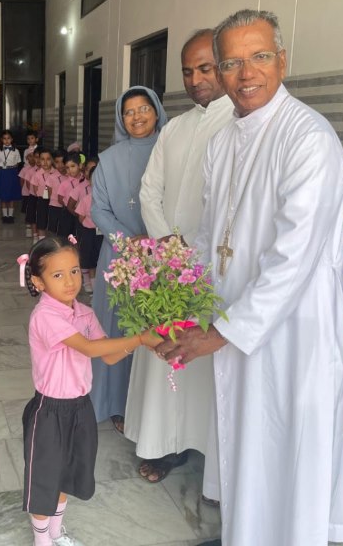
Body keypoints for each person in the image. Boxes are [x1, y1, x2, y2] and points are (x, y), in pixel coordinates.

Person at [156, 9, 343, 545]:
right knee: (244, 447)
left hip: (292, 336)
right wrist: (179, 305)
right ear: (219, 73)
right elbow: (207, 236)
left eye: (259, 57)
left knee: (286, 453)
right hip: (233, 326)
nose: (246, 73)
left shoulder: (308, 138)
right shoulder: (224, 142)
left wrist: (220, 333)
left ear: (282, 60)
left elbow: (295, 257)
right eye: (232, 62)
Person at [129, 29, 233, 484]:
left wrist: (199, 252)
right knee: (168, 355)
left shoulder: (240, 123)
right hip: (169, 263)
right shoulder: (176, 126)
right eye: (187, 71)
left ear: (226, 65)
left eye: (205, 68)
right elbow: (149, 190)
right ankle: (165, 445)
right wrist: (169, 246)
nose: (195, 79)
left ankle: (216, 458)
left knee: (211, 364)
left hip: (218, 267)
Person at [20, 236, 162, 546]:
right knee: (45, 478)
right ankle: (41, 540)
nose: (70, 281)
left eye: (73, 271)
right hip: (50, 411)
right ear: (38, 281)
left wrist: (146, 342)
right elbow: (87, 346)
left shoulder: (83, 312)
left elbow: (108, 354)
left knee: (68, 473)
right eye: (57, 275)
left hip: (80, 407)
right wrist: (139, 339)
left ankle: (57, 534)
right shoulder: (45, 317)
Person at [90, 86, 167, 431]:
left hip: (165, 255)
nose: (137, 117)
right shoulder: (108, 159)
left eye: (144, 109)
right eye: (129, 111)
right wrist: (129, 241)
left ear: (157, 111)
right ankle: (116, 404)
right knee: (118, 325)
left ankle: (155, 409)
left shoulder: (172, 150)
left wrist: (157, 240)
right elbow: (98, 210)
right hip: (119, 257)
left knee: (157, 326)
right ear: (121, 118)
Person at [73, 163, 102, 295]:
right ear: (89, 181)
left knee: (98, 258)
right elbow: (81, 217)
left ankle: (97, 284)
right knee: (89, 259)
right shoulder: (86, 199)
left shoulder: (106, 199)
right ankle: (91, 285)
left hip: (102, 233)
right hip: (89, 232)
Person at [31, 147, 58, 243]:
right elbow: (35, 190)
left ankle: (53, 243)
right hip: (42, 200)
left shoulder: (56, 173)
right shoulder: (37, 175)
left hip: (54, 202)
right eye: (42, 159)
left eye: (48, 159)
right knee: (41, 222)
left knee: (52, 222)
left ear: (52, 160)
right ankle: (41, 242)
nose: (45, 162)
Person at [0, 129, 22, 223]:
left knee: (11, 195)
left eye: (8, 138)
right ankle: (4, 215)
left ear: (12, 139)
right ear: (1, 140)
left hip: (12, 173)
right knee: (3, 196)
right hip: (2, 173)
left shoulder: (16, 151)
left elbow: (18, 163)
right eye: (4, 138)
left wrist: (11, 168)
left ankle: (10, 215)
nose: (6, 140)